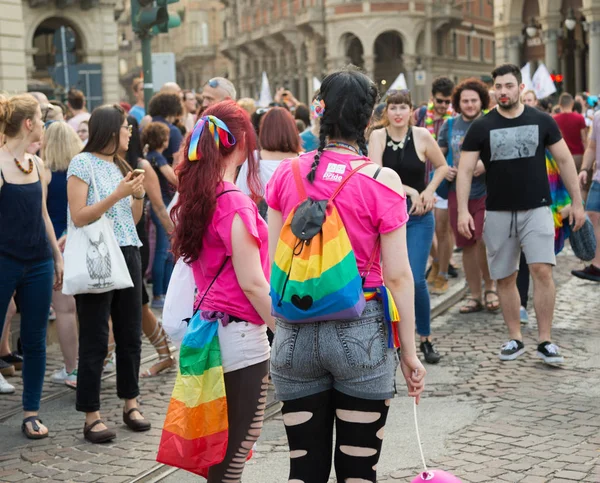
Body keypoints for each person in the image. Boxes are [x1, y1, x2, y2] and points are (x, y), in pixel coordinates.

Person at [265, 68, 426, 482]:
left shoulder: (288, 173)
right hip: (363, 329)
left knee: (304, 469)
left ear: (320, 113)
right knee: (357, 471)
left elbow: (272, 261)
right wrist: (409, 353)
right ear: (368, 118)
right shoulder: (382, 180)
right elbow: (399, 277)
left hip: (294, 334)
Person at [171, 100, 274, 481]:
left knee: (223, 452)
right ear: (243, 142)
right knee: (233, 455)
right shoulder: (234, 203)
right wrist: (286, 330)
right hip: (240, 339)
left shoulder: (199, 196)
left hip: (207, 334)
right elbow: (252, 282)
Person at [456, 63, 586, 364]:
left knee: (543, 271)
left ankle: (545, 340)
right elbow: (464, 171)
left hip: (537, 208)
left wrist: (577, 202)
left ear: (520, 88)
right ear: (493, 90)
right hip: (498, 212)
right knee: (505, 277)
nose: (503, 92)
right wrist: (463, 210)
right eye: (498, 87)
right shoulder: (482, 127)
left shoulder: (542, 120)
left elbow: (565, 161)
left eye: (509, 86)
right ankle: (515, 338)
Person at [67, 104, 149, 443]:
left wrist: (138, 196)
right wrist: (118, 194)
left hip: (129, 252)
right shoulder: (82, 162)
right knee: (96, 338)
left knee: (130, 333)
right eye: (126, 127)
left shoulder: (121, 165)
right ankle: (91, 414)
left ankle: (131, 402)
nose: (130, 133)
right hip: (99, 255)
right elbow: (79, 215)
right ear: (111, 131)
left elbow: (130, 219)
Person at [0, 94, 64, 438]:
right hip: (4, 262)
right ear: (28, 124)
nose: (42, 124)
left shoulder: (36, 165)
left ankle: (31, 412)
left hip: (38, 262)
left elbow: (42, 215)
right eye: (40, 118)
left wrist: (56, 256)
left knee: (35, 339)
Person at [369, 89, 448, 364]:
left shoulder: (422, 136)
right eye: (393, 108)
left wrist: (427, 191)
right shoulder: (377, 137)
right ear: (386, 111)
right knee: (388, 280)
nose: (398, 113)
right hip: (387, 217)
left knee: (415, 279)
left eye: (403, 107)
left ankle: (424, 338)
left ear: (411, 110)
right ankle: (395, 340)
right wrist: (409, 190)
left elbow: (442, 166)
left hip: (417, 217)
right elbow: (376, 173)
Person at [439, 78, 499, 313]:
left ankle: (490, 288)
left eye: (474, 100)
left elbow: (500, 152)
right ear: (458, 103)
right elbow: (438, 153)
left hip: (486, 191)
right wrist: (446, 168)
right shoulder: (450, 126)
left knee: (483, 239)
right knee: (467, 244)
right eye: (465, 101)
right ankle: (474, 294)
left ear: (481, 101)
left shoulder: (489, 123)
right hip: (458, 192)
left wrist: (485, 163)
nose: (470, 104)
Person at [126, 116, 176, 377]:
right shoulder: (103, 164)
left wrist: (176, 238)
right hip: (115, 242)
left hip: (136, 241)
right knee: (140, 303)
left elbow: (158, 206)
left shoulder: (142, 164)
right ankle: (164, 353)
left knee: (136, 302)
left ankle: (98, 361)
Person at [42, 121, 82, 385]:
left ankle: (72, 369)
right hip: (80, 241)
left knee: (65, 312)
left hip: (55, 245)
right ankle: (89, 365)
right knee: (85, 310)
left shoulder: (42, 172)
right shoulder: (81, 170)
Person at [414, 77, 458, 286]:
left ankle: (443, 266)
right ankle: (439, 259)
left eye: (446, 102)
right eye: (439, 101)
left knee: (443, 227)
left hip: (443, 182)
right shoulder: (420, 115)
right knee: (424, 225)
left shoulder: (454, 120)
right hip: (420, 179)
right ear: (432, 98)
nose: (442, 105)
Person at [236, 106, 301, 220]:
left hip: (261, 229)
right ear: (292, 131)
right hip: (295, 229)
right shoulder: (305, 160)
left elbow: (240, 198)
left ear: (264, 131)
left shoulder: (253, 160)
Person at [141, 121, 177, 308]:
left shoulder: (151, 156)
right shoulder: (157, 158)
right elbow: (173, 178)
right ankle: (158, 295)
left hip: (160, 205)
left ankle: (161, 293)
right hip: (161, 206)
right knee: (164, 251)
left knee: (164, 251)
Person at [573, 110, 600, 282]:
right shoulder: (598, 116)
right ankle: (597, 266)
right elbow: (591, 147)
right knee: (591, 216)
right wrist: (583, 169)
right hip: (598, 178)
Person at [553, 93, 587, 172]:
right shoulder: (580, 118)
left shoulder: (554, 119)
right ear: (572, 103)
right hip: (578, 155)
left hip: (561, 156)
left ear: (560, 104)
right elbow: (584, 139)